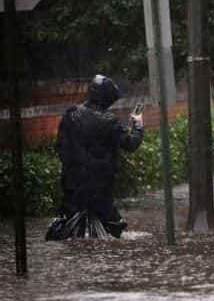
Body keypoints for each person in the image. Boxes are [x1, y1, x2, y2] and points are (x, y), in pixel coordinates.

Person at [45, 75, 144, 240]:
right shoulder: (109, 121)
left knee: (66, 228)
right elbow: (131, 144)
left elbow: (60, 147)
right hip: (100, 188)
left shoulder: (70, 115)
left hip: (72, 186)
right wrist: (138, 125)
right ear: (106, 98)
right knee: (114, 229)